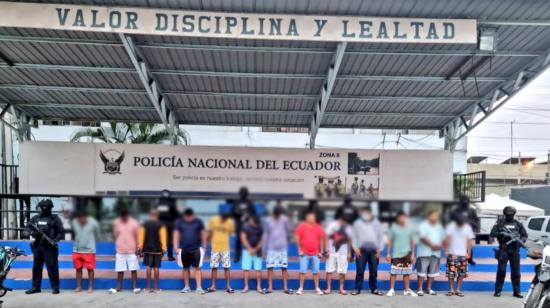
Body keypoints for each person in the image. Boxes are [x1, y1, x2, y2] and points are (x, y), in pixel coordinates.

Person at [24, 199, 64, 295]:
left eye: (46, 207)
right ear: (40, 207)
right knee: (36, 268)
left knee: (52, 268)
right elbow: (26, 230)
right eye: (43, 207)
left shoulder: (55, 218)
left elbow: (61, 233)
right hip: (38, 246)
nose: (44, 208)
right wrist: (32, 233)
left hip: (50, 247)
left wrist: (54, 240)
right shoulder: (35, 219)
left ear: (50, 207)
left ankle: (55, 287)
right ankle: (35, 287)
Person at [490, 206, 527, 298]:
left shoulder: (518, 224)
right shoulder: (500, 223)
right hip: (504, 249)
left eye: (511, 214)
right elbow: (492, 233)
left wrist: (519, 242)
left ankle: (517, 292)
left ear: (514, 214)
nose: (510, 216)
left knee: (516, 273)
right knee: (501, 271)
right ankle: (498, 291)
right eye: (508, 214)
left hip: (514, 250)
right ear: (505, 214)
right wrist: (501, 234)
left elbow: (524, 235)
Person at [351, 205, 384, 296]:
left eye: (367, 212)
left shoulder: (376, 223)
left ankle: (374, 289)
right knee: (360, 271)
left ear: (370, 213)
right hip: (361, 251)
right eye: (364, 212)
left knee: (373, 271)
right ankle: (357, 289)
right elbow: (354, 236)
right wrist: (355, 248)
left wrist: (379, 250)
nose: (366, 214)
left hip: (374, 251)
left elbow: (381, 237)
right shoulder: (357, 223)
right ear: (362, 213)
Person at [174, 208, 207, 294]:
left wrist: (204, 246)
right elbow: (176, 234)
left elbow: (203, 233)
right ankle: (186, 287)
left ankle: (199, 288)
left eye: (190, 217)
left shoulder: (198, 222)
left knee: (197, 268)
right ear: (184, 216)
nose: (188, 218)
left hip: (196, 248)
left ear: (192, 215)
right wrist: (175, 247)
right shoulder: (179, 222)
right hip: (184, 249)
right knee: (185, 268)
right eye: (187, 217)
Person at [109, 207, 141, 294]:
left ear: (127, 215)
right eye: (122, 217)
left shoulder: (134, 223)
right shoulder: (116, 223)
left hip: (132, 250)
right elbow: (116, 235)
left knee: (133, 269)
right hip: (120, 250)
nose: (123, 218)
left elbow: (138, 236)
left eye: (125, 217)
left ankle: (134, 287)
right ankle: (119, 287)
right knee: (120, 270)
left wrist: (138, 247)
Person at [385, 211, 416, 297]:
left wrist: (413, 254)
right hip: (396, 254)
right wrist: (388, 253)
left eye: (404, 217)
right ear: (397, 218)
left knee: (406, 273)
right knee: (393, 273)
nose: (402, 219)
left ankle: (406, 290)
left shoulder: (410, 229)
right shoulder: (393, 228)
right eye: (400, 217)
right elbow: (389, 241)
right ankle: (391, 290)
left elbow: (412, 242)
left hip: (407, 254)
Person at [263, 202, 292, 294]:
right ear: (273, 213)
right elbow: (266, 234)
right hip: (271, 248)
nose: (277, 217)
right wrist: (264, 248)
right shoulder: (268, 220)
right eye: (276, 215)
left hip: (282, 248)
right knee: (270, 268)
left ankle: (285, 287)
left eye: (278, 215)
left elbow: (288, 231)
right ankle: (270, 287)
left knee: (284, 268)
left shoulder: (285, 220)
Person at [444, 212, 474, 297]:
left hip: (463, 255)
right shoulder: (451, 226)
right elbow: (447, 239)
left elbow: (469, 241)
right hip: (452, 254)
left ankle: (458, 289)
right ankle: (451, 289)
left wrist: (469, 253)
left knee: (461, 274)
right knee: (451, 273)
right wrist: (446, 250)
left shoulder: (467, 227)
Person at [294, 211, 325, 295]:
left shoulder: (318, 227)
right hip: (304, 253)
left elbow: (321, 240)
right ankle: (300, 288)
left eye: (313, 217)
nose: (312, 218)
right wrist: (299, 250)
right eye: (310, 217)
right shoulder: (301, 226)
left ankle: (317, 288)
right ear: (307, 218)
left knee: (316, 272)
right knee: (302, 271)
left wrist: (321, 251)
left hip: (316, 253)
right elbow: (297, 238)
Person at [416, 210, 445, 296]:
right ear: (429, 216)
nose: (435, 217)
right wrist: (432, 245)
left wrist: (439, 245)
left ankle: (428, 288)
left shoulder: (439, 226)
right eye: (434, 215)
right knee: (421, 271)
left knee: (432, 271)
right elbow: (422, 237)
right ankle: (420, 289)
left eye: (437, 216)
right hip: (424, 252)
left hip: (436, 252)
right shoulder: (423, 225)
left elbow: (443, 237)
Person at [207, 207, 235, 293]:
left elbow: (230, 232)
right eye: (223, 218)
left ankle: (228, 287)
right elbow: (210, 232)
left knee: (227, 267)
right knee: (214, 267)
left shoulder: (230, 222)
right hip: (215, 247)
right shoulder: (213, 220)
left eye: (226, 218)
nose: (224, 219)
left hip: (225, 248)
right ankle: (213, 286)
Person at [138, 208, 167, 293]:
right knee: (156, 268)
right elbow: (163, 238)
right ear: (157, 215)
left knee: (148, 268)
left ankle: (148, 288)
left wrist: (140, 247)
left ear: (149, 215)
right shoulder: (161, 225)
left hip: (147, 249)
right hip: (158, 250)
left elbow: (141, 237)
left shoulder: (144, 224)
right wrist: (164, 249)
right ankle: (156, 288)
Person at [71, 210, 100, 293]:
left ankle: (90, 287)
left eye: (83, 218)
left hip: (89, 251)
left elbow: (97, 234)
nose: (81, 220)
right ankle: (79, 287)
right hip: (77, 250)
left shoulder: (94, 223)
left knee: (90, 269)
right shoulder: (74, 222)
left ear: (86, 217)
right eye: (79, 218)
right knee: (78, 269)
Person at [324, 214, 353, 295]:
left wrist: (349, 252)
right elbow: (326, 237)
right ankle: (328, 288)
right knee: (329, 270)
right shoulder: (332, 225)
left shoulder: (348, 228)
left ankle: (341, 288)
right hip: (332, 251)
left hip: (343, 252)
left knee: (343, 271)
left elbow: (350, 240)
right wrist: (327, 250)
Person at [231, 187, 256, 262]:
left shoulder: (250, 202)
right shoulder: (236, 202)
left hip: (248, 225)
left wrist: (247, 216)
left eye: (245, 192)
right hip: (239, 224)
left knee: (249, 240)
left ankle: (249, 256)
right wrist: (239, 214)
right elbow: (232, 212)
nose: (243, 194)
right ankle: (237, 256)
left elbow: (254, 214)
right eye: (242, 192)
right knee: (238, 240)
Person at [452, 196, 480, 265]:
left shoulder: (472, 210)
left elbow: (476, 219)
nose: (465, 202)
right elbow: (452, 219)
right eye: (463, 200)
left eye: (466, 200)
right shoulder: (457, 210)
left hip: (468, 230)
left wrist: (474, 225)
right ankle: (457, 259)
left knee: (469, 245)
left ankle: (470, 259)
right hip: (458, 231)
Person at [241, 215, 264, 293]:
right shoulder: (246, 227)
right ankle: (246, 286)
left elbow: (262, 240)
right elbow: (243, 238)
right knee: (246, 269)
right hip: (247, 251)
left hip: (258, 251)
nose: (255, 225)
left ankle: (259, 287)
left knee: (258, 269)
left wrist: (256, 249)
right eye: (254, 223)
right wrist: (250, 248)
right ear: (252, 221)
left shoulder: (261, 228)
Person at [157, 190, 178, 261]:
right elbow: (175, 213)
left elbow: (158, 214)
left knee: (160, 239)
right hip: (170, 223)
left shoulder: (159, 202)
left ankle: (159, 255)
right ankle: (170, 256)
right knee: (169, 240)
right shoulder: (172, 202)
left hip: (161, 223)